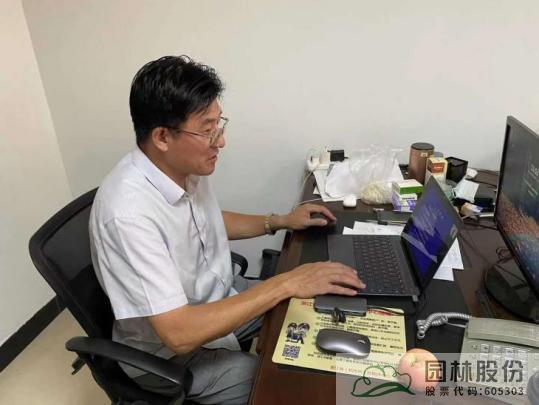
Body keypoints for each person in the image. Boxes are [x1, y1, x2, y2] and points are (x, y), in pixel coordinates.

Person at [89, 55, 365, 405]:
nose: (220, 142)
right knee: (289, 386)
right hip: (171, 353)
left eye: (219, 125)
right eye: (207, 130)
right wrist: (285, 283)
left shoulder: (181, 168)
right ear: (162, 137)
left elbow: (206, 221)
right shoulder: (128, 215)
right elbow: (179, 333)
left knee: (317, 305)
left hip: (218, 295)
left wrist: (279, 220)